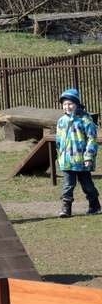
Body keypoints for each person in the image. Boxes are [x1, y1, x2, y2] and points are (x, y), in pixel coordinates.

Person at [56, 88, 101, 217]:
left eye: (70, 104)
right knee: (67, 185)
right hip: (67, 161)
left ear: (77, 104)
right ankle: (66, 209)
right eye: (65, 104)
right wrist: (59, 155)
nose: (67, 107)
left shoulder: (85, 120)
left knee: (87, 185)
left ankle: (95, 205)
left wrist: (89, 156)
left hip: (82, 160)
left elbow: (92, 139)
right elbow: (59, 140)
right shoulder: (61, 121)